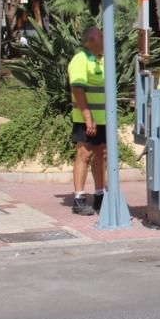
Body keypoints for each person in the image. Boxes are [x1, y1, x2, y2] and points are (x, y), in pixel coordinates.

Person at [68, 27, 107, 216]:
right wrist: (88, 118)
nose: (104, 39)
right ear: (90, 40)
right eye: (101, 36)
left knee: (101, 154)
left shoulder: (103, 61)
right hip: (87, 119)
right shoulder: (80, 60)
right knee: (84, 154)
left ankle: (100, 195)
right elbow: (78, 90)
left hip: (103, 120)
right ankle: (79, 198)